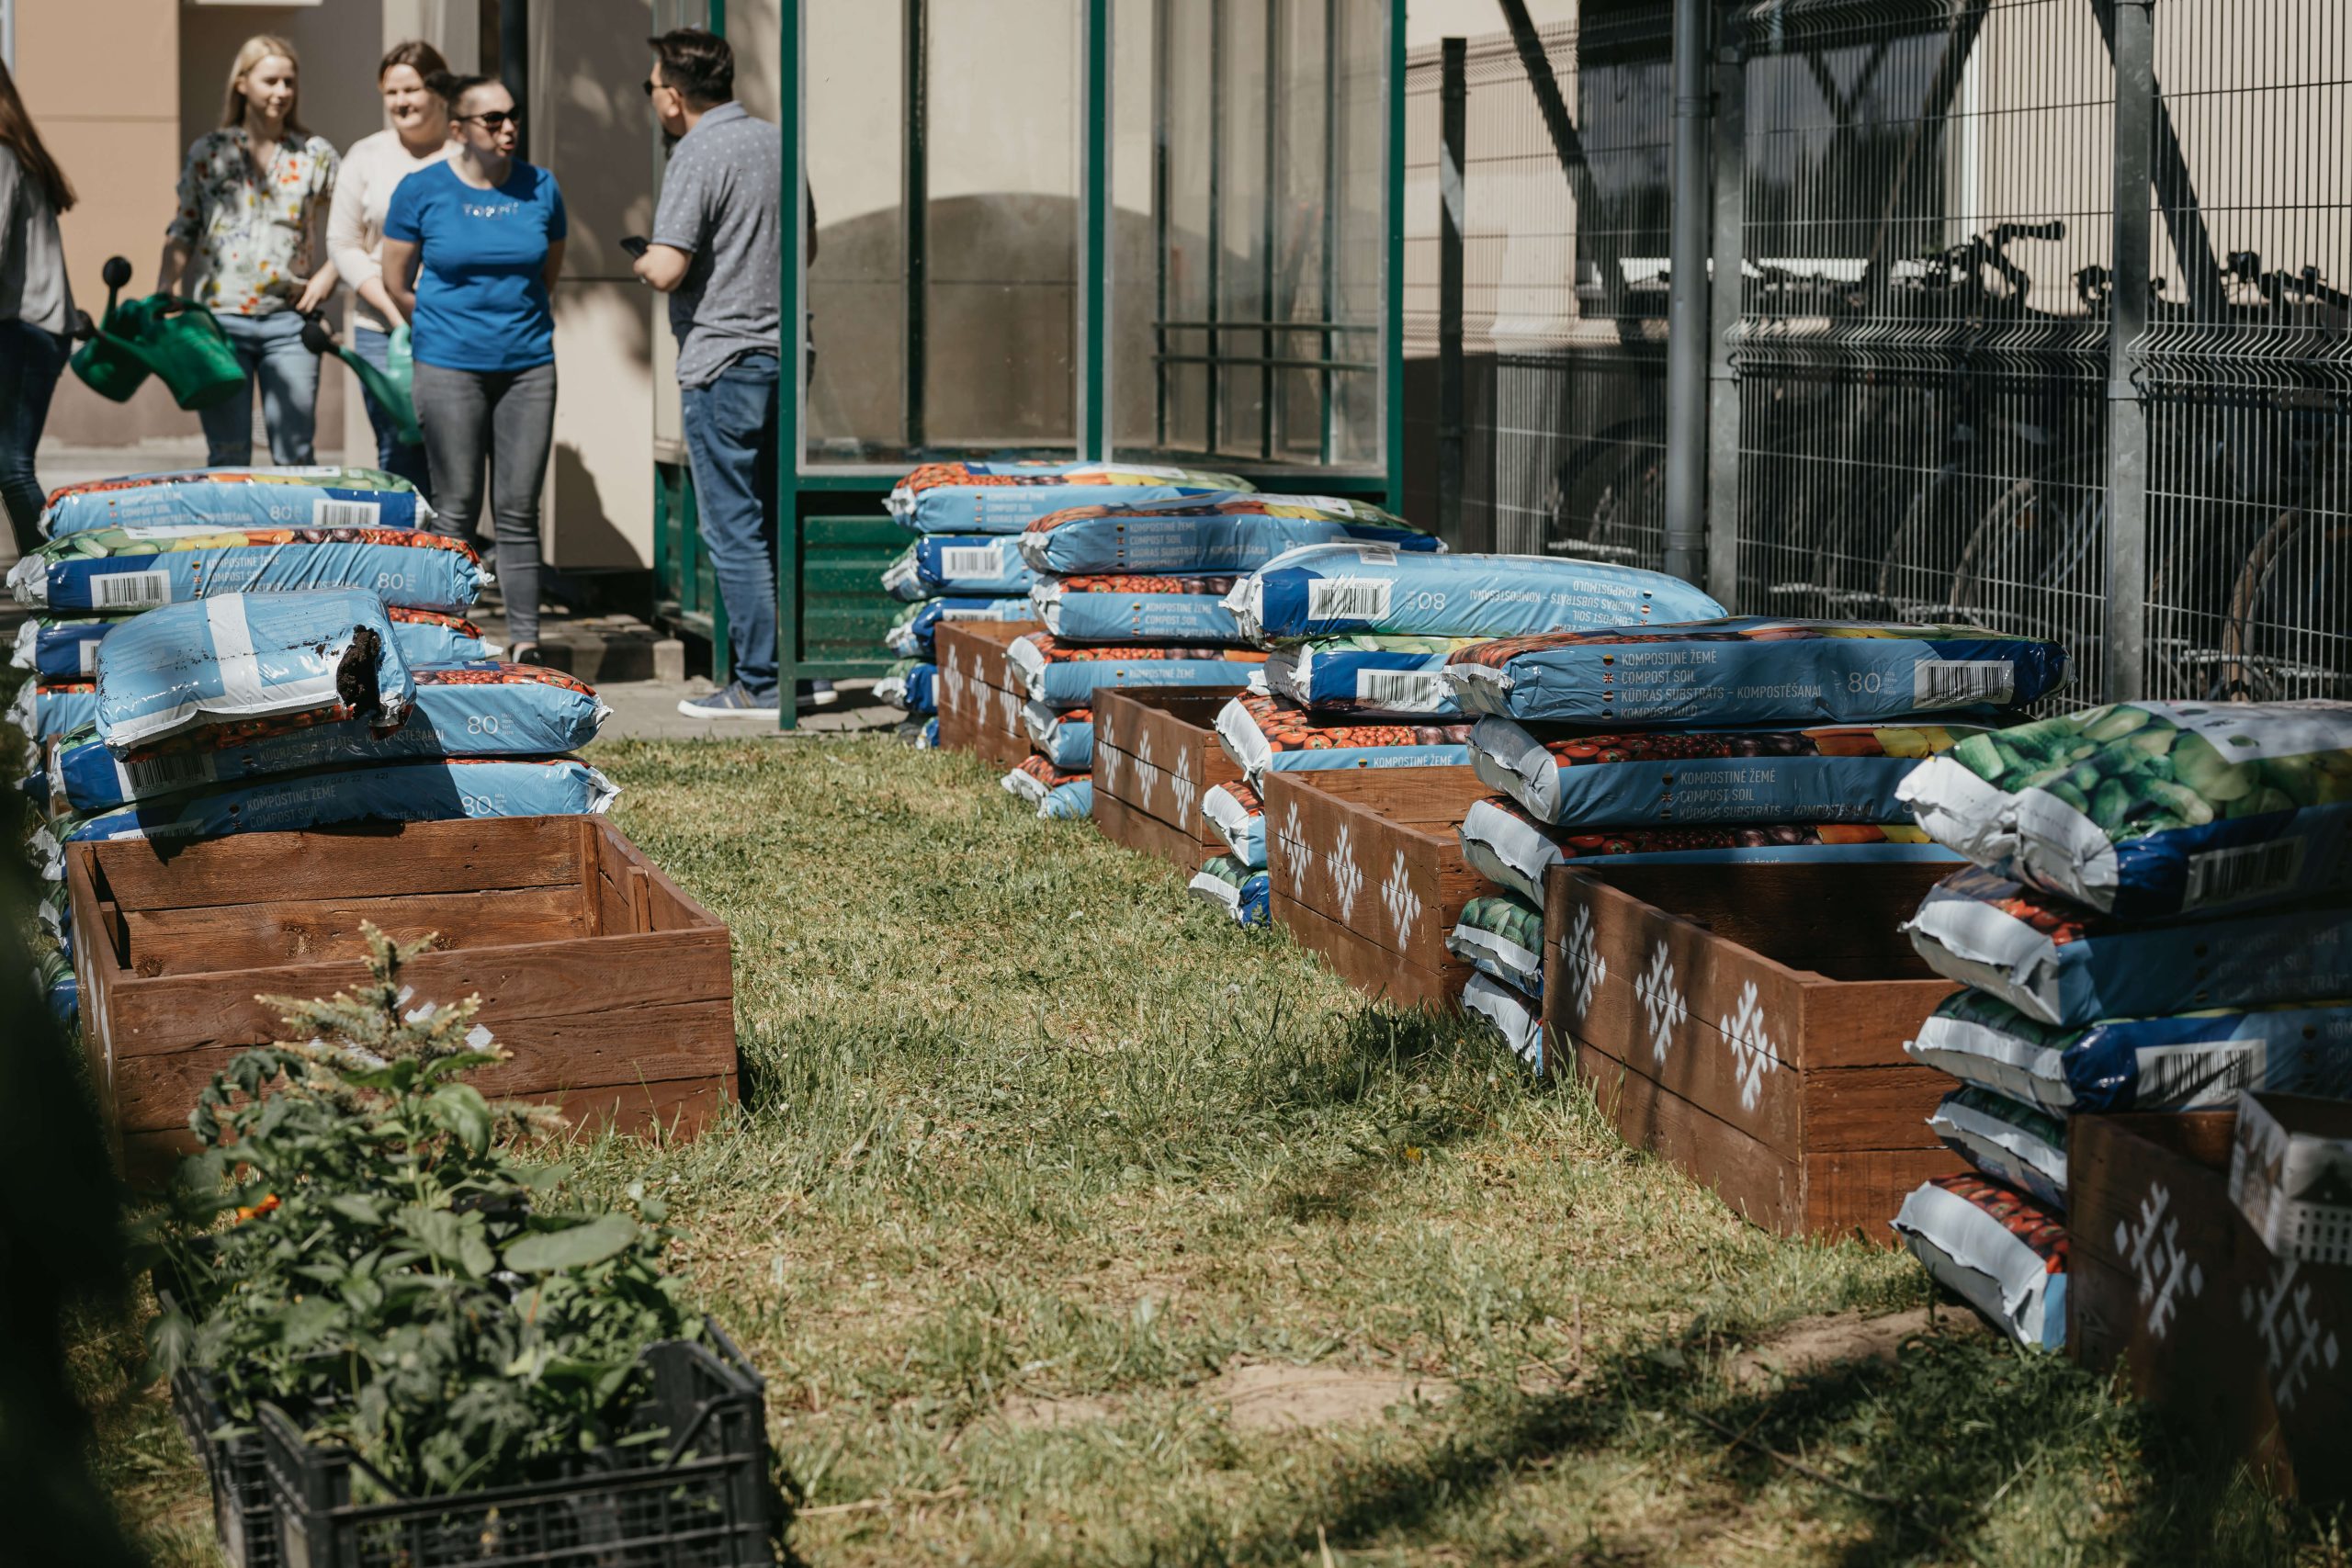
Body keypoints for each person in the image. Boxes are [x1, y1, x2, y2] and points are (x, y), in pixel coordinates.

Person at [636, 28, 831, 717]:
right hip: (786, 352)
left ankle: (759, 681)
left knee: (733, 526)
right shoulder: (778, 142)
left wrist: (641, 257)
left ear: (674, 96)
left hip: (722, 358)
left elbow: (667, 265)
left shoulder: (697, 150)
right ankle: (801, 674)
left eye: (652, 86)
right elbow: (804, 247)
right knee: (776, 518)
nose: (653, 97)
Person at [380, 73, 564, 663]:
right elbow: (395, 280)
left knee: (517, 508)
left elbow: (548, 271)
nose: (508, 128)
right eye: (493, 119)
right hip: (448, 365)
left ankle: (527, 642)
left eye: (513, 116)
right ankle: (444, 638)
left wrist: (507, 322)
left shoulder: (542, 187)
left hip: (528, 366)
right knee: (456, 503)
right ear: (459, 130)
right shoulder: (421, 189)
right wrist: (445, 324)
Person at [160, 35, 339, 467]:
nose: (281, 92)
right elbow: (183, 228)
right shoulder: (210, 152)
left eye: (289, 83)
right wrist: (165, 287)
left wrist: (328, 275)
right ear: (242, 83)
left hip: (290, 320)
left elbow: (357, 228)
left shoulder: (315, 154)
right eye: (270, 81)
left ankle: (298, 537)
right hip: (220, 318)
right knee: (228, 453)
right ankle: (232, 537)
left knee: (294, 453)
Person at [325, 39, 451, 491]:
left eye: (412, 89)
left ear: (439, 90)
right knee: (398, 452)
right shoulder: (367, 155)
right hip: (381, 330)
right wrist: (398, 309)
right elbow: (343, 243)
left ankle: (453, 549)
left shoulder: (463, 156)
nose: (401, 102)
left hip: (453, 328)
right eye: (391, 92)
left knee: (455, 451)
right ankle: (407, 553)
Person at [0, 59, 74, 558]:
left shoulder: (2, 154)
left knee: (11, 465)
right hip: (32, 328)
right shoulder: (16, 151)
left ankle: (61, 583)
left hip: (25, 330)